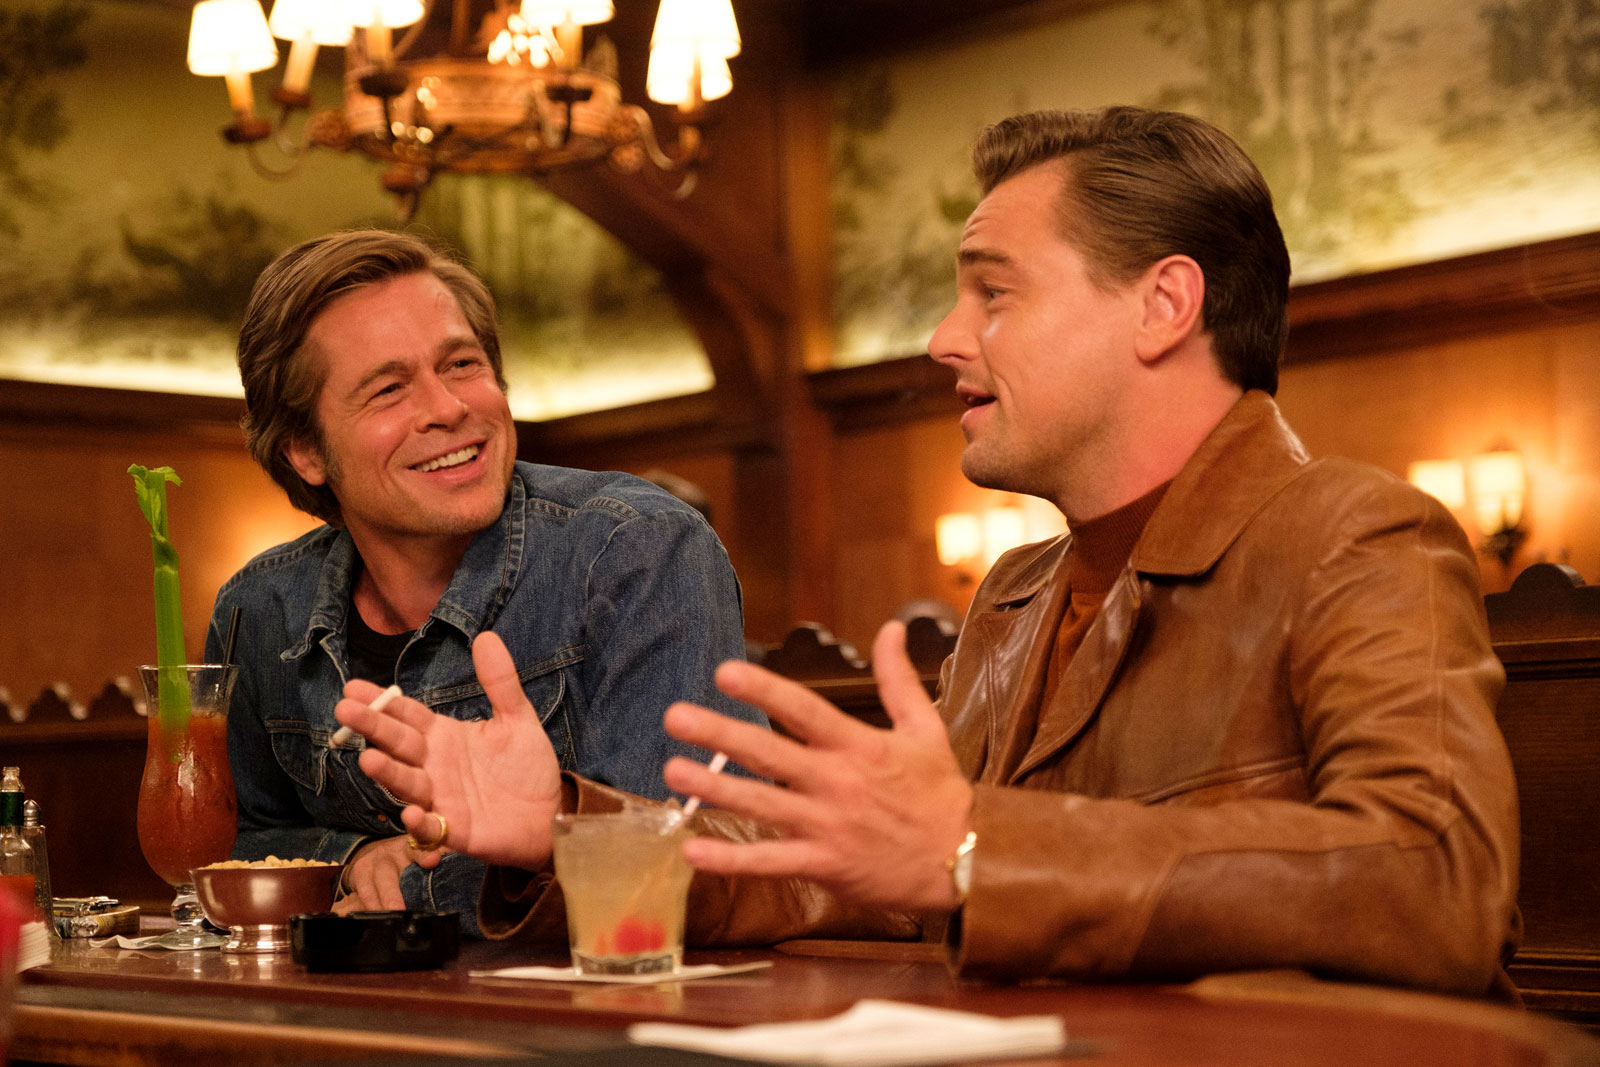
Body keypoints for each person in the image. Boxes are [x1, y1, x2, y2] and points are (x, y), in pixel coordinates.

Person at [337, 107, 1520, 996]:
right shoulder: (1018, 591)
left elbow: (1436, 877)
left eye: (992, 294)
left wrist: (968, 849)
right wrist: (568, 828)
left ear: (1164, 305)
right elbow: (851, 869)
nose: (946, 338)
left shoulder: (1357, 533)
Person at [204, 229, 761, 935]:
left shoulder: (636, 551)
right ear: (306, 452)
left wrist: (421, 878)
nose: (447, 407)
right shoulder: (257, 609)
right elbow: (241, 847)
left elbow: (699, 862)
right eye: (388, 389)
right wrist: (355, 858)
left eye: (462, 364)